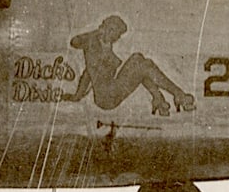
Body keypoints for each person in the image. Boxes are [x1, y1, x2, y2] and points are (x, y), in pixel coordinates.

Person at [62, 15, 196, 116]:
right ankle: (176, 95)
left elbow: (88, 74)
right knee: (142, 65)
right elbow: (75, 42)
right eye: (117, 34)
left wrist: (77, 95)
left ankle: (158, 98)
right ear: (109, 29)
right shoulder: (92, 43)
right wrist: (97, 32)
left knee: (139, 60)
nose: (118, 38)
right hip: (107, 98)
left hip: (112, 90)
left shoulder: (104, 48)